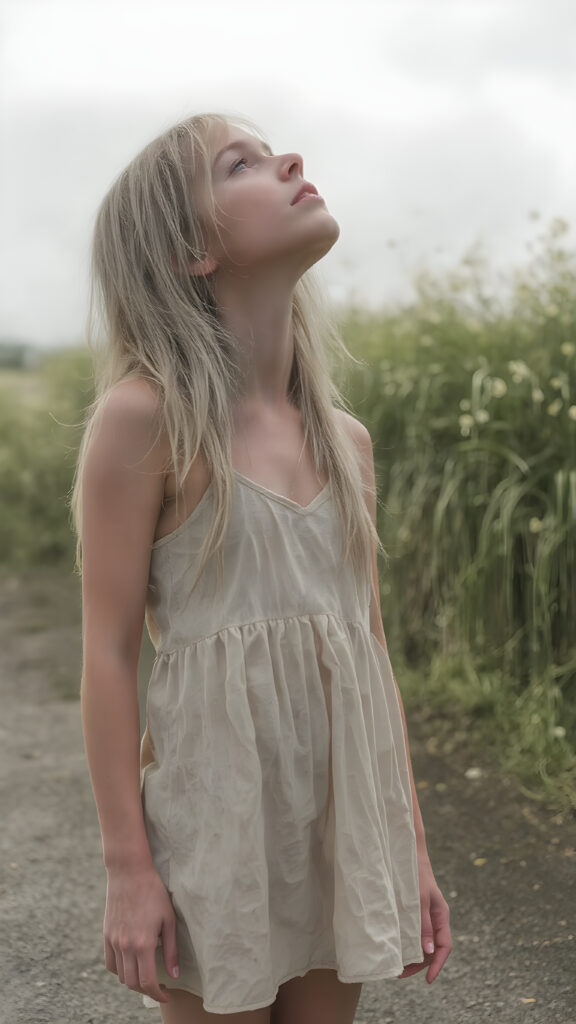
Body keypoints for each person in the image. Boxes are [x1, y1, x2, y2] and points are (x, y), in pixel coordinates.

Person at [72, 111, 452, 1024]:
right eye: (239, 163)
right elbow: (111, 656)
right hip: (219, 828)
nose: (289, 159)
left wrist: (411, 849)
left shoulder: (345, 442)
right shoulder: (146, 420)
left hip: (340, 826)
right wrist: (129, 870)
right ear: (188, 250)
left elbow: (368, 651)